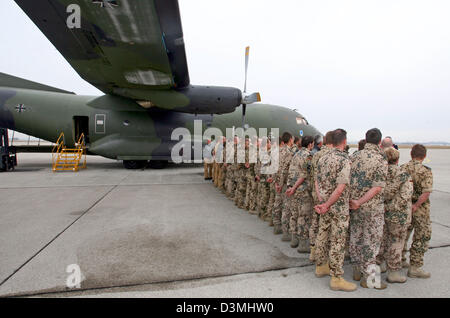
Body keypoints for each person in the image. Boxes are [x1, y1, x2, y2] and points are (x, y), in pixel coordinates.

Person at [314, 128, 357, 292]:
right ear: (344, 142)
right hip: (337, 207)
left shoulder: (323, 158)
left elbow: (317, 182)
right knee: (338, 241)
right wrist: (327, 204)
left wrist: (322, 201)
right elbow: (340, 189)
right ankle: (336, 278)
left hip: (325, 205)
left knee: (323, 234)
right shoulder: (344, 160)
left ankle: (320, 266)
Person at [349, 128, 388, 290]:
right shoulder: (380, 159)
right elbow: (377, 188)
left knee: (356, 237)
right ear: (379, 142)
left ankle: (357, 270)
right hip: (372, 208)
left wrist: (355, 201)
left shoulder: (354, 156)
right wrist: (360, 201)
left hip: (355, 206)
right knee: (371, 243)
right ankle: (369, 279)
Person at [376, 147, 413, 283]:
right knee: (396, 243)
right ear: (397, 160)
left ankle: (378, 265)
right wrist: (392, 208)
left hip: (381, 213)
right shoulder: (404, 175)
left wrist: (385, 208)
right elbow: (405, 197)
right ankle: (393, 272)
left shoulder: (380, 173)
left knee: (381, 241)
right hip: (398, 216)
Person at [401, 144, 433, 278]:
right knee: (421, 237)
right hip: (420, 210)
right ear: (424, 156)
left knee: (403, 235)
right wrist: (417, 205)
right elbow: (426, 192)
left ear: (411, 154)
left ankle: (400, 259)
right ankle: (415, 267)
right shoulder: (426, 171)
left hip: (405, 207)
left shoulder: (403, 168)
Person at [285, 135, 314, 253]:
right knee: (304, 217)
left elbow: (290, 172)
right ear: (311, 144)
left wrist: (290, 187)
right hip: (302, 190)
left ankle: (294, 239)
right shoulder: (308, 156)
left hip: (294, 189)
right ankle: (303, 244)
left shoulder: (296, 154)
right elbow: (304, 175)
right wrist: (295, 187)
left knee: (294, 214)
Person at [309, 130, 334, 261]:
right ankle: (324, 256)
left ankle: (313, 250)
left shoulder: (316, 155)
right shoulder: (333, 156)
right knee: (327, 227)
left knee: (315, 222)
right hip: (330, 197)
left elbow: (313, 176)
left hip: (316, 193)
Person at [273, 132, 294, 236]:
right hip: (284, 182)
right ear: (290, 140)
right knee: (286, 207)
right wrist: (281, 184)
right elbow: (285, 170)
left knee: (277, 203)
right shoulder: (289, 152)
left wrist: (276, 182)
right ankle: (285, 231)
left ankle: (276, 226)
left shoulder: (277, 151)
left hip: (277, 181)